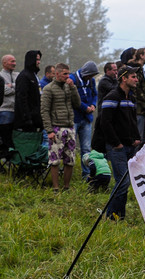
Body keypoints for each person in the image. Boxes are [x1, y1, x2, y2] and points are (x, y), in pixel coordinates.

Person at [97, 66, 141, 220]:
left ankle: (119, 216)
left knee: (124, 183)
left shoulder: (132, 97)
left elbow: (133, 120)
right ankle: (111, 216)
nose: (136, 79)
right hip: (117, 147)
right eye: (133, 76)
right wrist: (116, 143)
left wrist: (136, 138)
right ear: (124, 78)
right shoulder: (112, 96)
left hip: (130, 146)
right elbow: (105, 122)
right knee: (122, 181)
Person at [41, 63, 81, 191]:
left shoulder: (69, 87)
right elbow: (44, 111)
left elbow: (78, 103)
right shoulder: (48, 88)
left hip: (69, 127)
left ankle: (66, 187)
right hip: (56, 128)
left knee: (70, 159)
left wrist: (73, 87)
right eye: (65, 74)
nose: (67, 76)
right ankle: (55, 188)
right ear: (57, 74)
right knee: (55, 160)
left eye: (68, 73)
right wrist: (49, 130)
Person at [70, 60, 99, 178]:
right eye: (90, 75)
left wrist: (93, 105)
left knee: (86, 148)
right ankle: (69, 171)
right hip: (74, 118)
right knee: (70, 147)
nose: (91, 77)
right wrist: (84, 107)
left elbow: (94, 94)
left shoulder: (91, 81)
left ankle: (86, 174)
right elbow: (72, 98)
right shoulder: (73, 79)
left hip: (87, 119)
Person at [128, 48, 145, 141]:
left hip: (144, 110)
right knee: (138, 139)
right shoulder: (135, 70)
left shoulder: (142, 71)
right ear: (141, 56)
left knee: (142, 139)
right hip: (138, 110)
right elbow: (137, 90)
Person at [13, 50, 43, 134]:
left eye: (39, 59)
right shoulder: (24, 76)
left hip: (35, 119)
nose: (39, 62)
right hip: (26, 121)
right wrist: (27, 118)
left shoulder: (34, 76)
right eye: (37, 60)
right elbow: (22, 98)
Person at [0, 55, 19, 151]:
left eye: (15, 61)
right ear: (4, 63)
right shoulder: (0, 76)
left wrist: (11, 85)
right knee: (5, 136)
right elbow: (4, 91)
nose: (14, 63)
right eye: (12, 61)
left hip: (17, 110)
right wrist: (17, 87)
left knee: (15, 137)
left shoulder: (18, 75)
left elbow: (22, 87)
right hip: (5, 110)